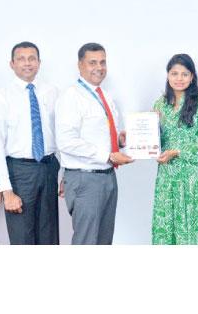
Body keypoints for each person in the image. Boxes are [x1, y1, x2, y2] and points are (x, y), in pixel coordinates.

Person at [55, 43, 133, 245]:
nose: (99, 67)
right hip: (85, 180)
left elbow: (102, 136)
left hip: (107, 177)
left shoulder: (104, 95)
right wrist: (107, 155)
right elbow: (66, 141)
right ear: (80, 65)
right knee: (87, 243)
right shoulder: (71, 96)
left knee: (104, 242)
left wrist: (120, 141)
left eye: (102, 62)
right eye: (92, 62)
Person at [0, 41, 60, 245]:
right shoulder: (0, 96)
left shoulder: (52, 92)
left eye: (32, 58)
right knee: (22, 237)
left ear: (39, 62)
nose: (27, 63)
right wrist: (6, 190)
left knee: (49, 236)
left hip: (48, 167)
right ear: (12, 64)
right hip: (19, 172)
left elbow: (61, 135)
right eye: (21, 59)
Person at [151, 54, 198, 245]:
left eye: (184, 74)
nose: (179, 78)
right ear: (167, 76)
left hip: (193, 179)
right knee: (167, 231)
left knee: (195, 233)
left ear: (192, 77)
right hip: (168, 179)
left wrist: (177, 152)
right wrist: (148, 130)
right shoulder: (160, 104)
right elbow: (156, 142)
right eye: (174, 73)